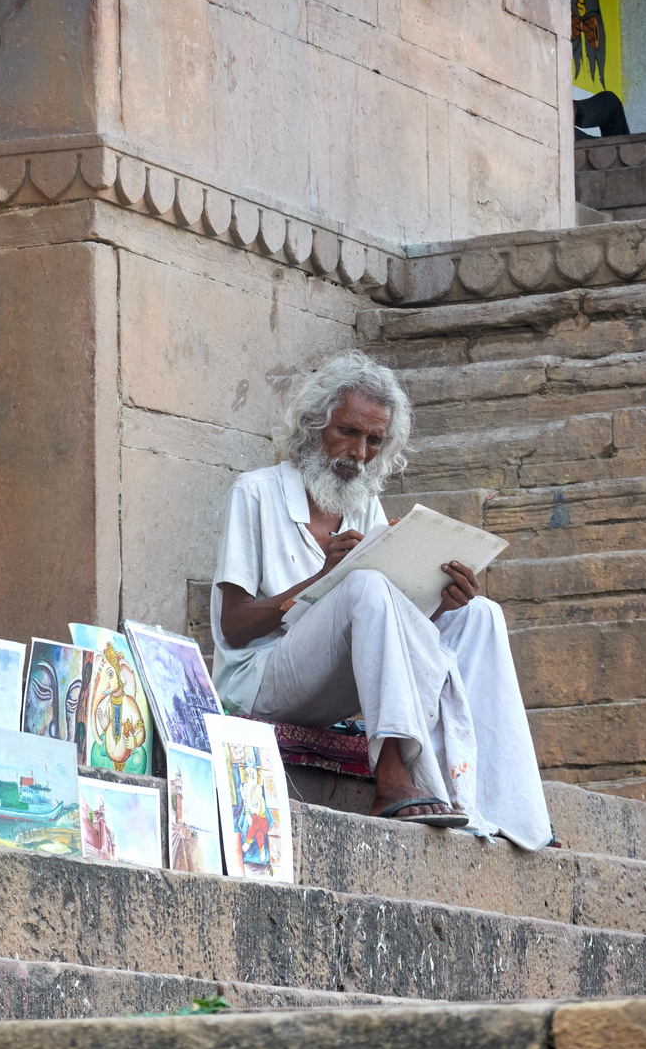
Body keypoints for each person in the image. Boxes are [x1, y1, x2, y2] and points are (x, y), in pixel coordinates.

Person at [208, 351, 553, 850]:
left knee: (479, 615)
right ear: (313, 426)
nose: (360, 453)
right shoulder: (255, 493)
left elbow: (385, 622)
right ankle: (390, 781)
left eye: (374, 440)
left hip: (335, 683)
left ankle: (514, 811)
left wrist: (439, 602)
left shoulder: (363, 504)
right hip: (260, 681)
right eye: (348, 432)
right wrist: (320, 580)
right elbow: (234, 627)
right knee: (364, 585)